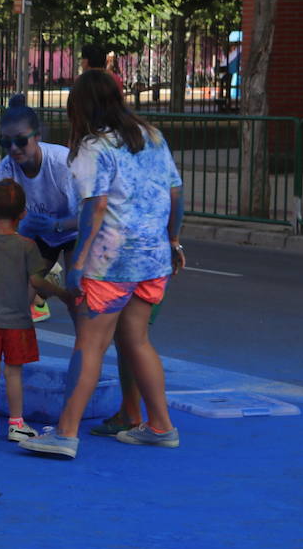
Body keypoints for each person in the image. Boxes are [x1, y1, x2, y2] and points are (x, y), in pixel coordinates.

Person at [20, 70, 185, 459]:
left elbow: (95, 207)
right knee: (137, 339)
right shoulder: (151, 135)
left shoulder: (94, 147)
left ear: (79, 106)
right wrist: (173, 240)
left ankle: (65, 432)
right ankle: (161, 425)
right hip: (153, 256)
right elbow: (176, 193)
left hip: (111, 260)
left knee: (89, 345)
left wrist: (77, 263)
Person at [0, 179, 74, 441]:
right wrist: (62, 294)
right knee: (14, 372)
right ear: (23, 214)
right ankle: (16, 423)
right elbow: (36, 281)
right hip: (18, 321)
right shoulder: (28, 247)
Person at [0, 93, 80, 321]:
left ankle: (85, 349)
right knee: (14, 302)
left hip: (75, 229)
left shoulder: (62, 163)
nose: (13, 148)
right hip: (42, 233)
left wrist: (58, 224)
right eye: (5, 142)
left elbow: (91, 214)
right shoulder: (5, 170)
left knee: (78, 295)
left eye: (21, 141)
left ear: (37, 136)